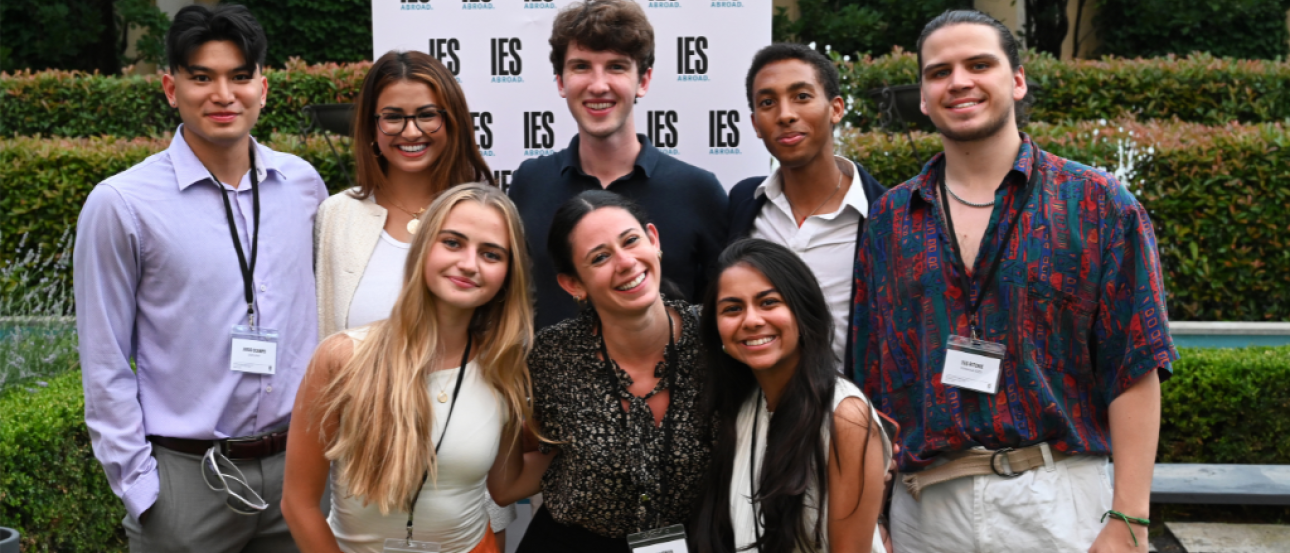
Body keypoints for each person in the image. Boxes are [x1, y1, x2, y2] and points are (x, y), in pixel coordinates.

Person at [852, 10, 1176, 553]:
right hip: (926, 507)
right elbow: (872, 376)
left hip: (1059, 500)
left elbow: (1135, 364)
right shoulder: (889, 219)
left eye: (979, 64)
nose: (959, 81)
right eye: (939, 72)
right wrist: (871, 512)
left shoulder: (1097, 205)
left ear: (1017, 80)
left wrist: (1131, 517)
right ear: (926, 97)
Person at [73, 5, 327, 551]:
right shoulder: (122, 205)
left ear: (263, 86)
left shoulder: (302, 185)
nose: (223, 94)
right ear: (170, 88)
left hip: (300, 471)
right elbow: (104, 359)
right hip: (187, 481)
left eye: (239, 76)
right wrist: (141, 488)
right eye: (201, 77)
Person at [311, 50, 516, 542]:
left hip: (467, 495)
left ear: (453, 120)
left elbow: (505, 346)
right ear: (371, 126)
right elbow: (327, 346)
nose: (410, 131)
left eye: (427, 114)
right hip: (365, 495)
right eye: (393, 117)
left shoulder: (486, 212)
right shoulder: (337, 216)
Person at [282, 184, 548, 553]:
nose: (469, 264)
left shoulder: (503, 369)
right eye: (453, 243)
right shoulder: (341, 358)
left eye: (491, 254)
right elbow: (299, 503)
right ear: (424, 248)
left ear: (508, 273)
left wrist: (593, 450)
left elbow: (506, 486)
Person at [508, 0, 728, 330]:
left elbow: (722, 312)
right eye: (581, 67)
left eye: (616, 67)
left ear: (643, 80)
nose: (598, 85)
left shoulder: (698, 190)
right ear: (560, 81)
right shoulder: (530, 183)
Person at [516, 191, 714, 553]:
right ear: (573, 284)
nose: (625, 262)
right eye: (600, 257)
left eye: (631, 241)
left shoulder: (716, 337)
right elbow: (522, 470)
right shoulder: (550, 357)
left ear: (653, 240)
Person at [691, 239, 891, 553]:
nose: (752, 320)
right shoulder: (745, 406)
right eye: (732, 308)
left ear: (802, 309)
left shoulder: (844, 417)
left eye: (768, 302)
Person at [727, 43, 887, 372]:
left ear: (836, 109)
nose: (785, 114)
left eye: (802, 96)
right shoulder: (744, 203)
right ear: (756, 124)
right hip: (754, 413)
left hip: (853, 414)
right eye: (768, 102)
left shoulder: (886, 215)